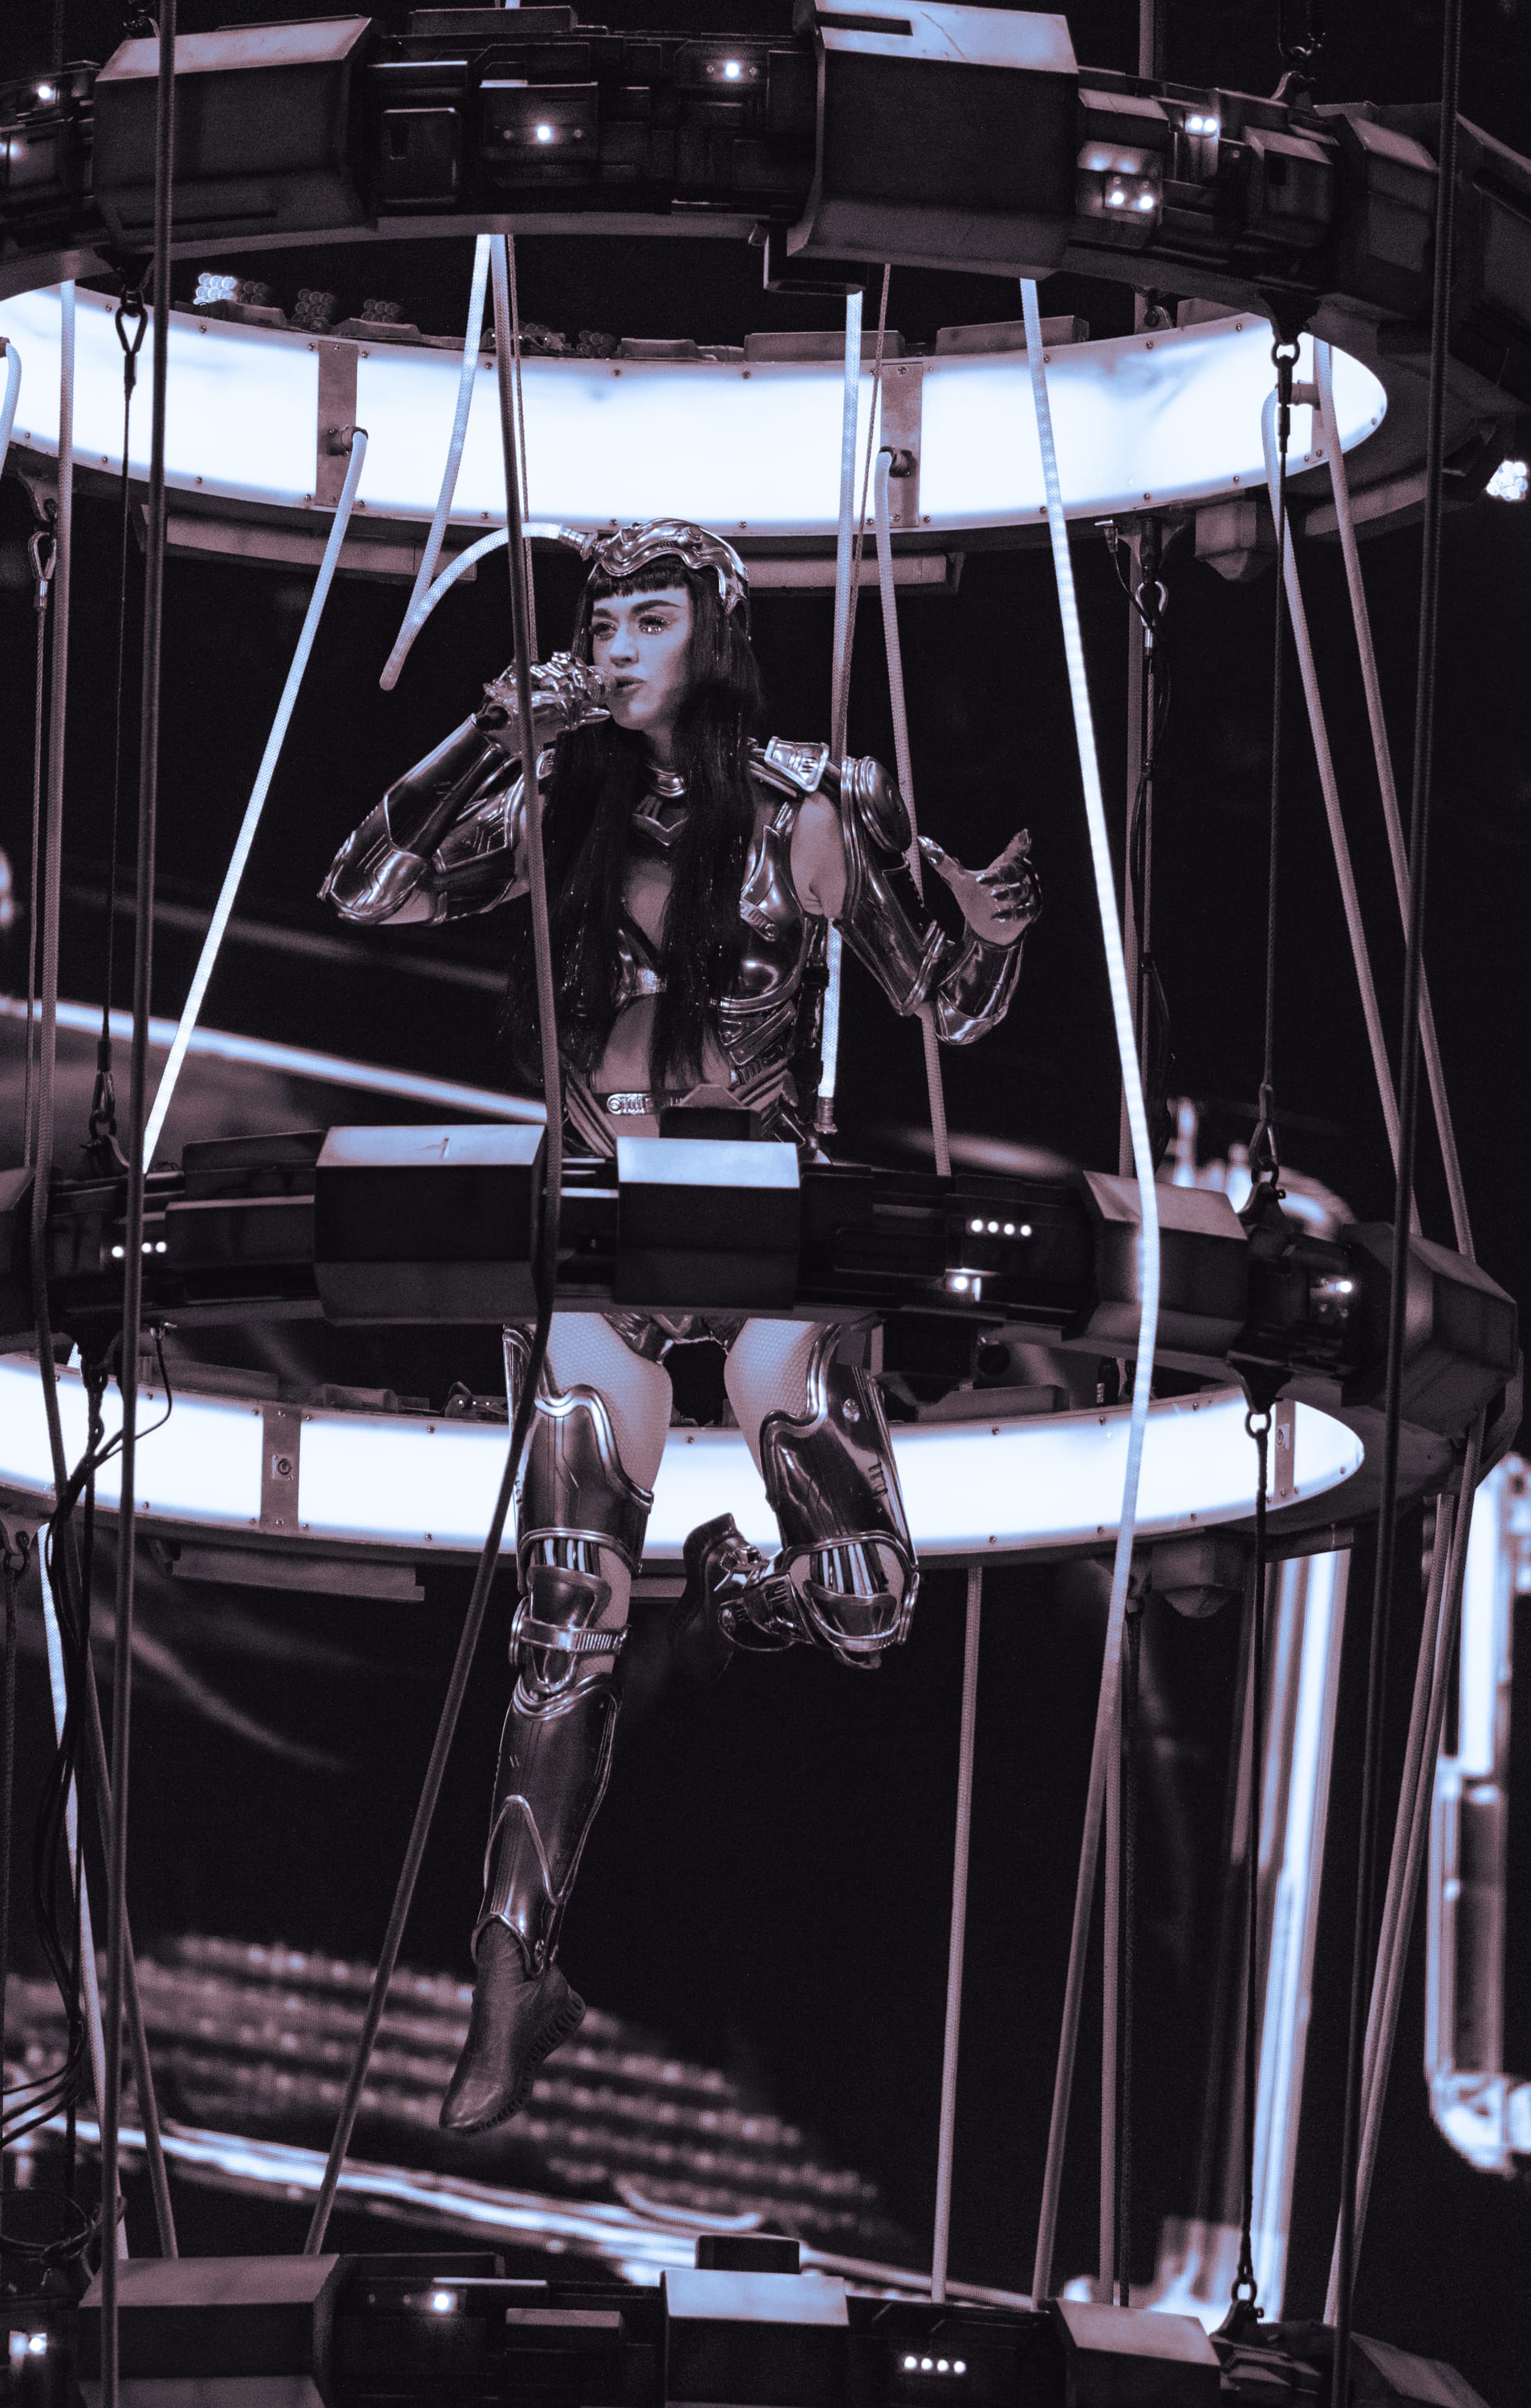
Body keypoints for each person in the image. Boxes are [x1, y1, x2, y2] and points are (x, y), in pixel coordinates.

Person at [320, 519, 1040, 2135]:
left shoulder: (811, 804)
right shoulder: (556, 797)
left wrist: (987, 935)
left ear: (713, 637)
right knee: (560, 1623)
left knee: (868, 1602)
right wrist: (489, 737)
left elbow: (946, 997)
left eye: (649, 619)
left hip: (763, 1234)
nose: (617, 648)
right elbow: (365, 886)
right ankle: (511, 1972)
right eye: (601, 623)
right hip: (600, 1231)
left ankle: (736, 1584)